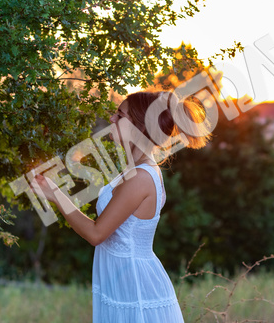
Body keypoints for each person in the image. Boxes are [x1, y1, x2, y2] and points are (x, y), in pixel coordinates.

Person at [33, 90, 211, 323]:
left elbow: (97, 234)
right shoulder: (132, 170)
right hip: (121, 285)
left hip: (136, 290)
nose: (112, 119)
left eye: (120, 115)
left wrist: (56, 194)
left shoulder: (140, 177)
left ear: (140, 126)